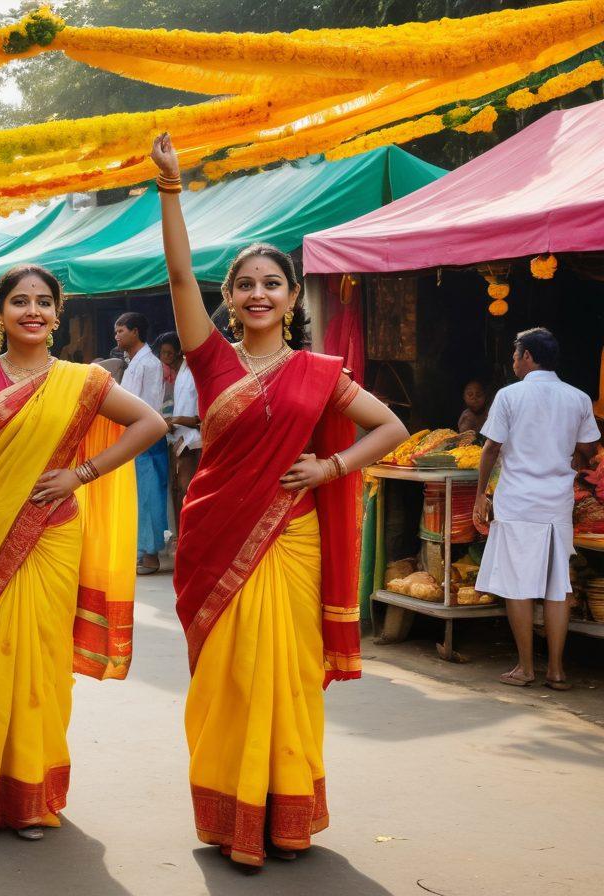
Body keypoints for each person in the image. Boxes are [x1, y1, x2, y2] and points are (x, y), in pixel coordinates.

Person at [151, 133, 408, 868]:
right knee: (228, 679)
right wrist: (172, 191)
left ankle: (283, 815)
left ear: (294, 297)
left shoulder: (319, 372)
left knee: (288, 679)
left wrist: (331, 467)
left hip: (291, 542)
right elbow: (176, 276)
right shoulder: (212, 358)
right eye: (245, 284)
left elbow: (389, 427)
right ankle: (232, 811)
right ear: (228, 299)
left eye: (272, 283)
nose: (258, 293)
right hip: (216, 537)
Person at [0, 186, 166, 839]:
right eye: (19, 301)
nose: (32, 310)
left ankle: (31, 795)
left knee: (38, 664)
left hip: (54, 536)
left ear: (58, 316)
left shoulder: (85, 383)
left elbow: (148, 423)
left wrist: (83, 473)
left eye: (43, 302)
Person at [473, 328, 601, 691]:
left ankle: (526, 668)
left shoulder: (510, 396)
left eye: (515, 355)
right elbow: (591, 450)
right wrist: (568, 462)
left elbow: (490, 449)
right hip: (556, 504)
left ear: (528, 356)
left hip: (517, 502)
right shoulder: (577, 398)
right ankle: (557, 671)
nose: (513, 361)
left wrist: (482, 495)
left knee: (519, 587)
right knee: (556, 586)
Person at [116, 311, 168, 574]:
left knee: (148, 496)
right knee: (137, 495)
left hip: (145, 435)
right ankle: (140, 551)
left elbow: (150, 406)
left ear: (135, 331)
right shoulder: (134, 361)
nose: (117, 336)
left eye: (121, 331)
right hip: (133, 435)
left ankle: (150, 555)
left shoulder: (149, 363)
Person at [161, 337, 201, 549]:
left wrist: (175, 420)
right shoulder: (181, 373)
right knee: (177, 489)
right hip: (179, 438)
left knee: (187, 488)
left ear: (178, 352)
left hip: (193, 440)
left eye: (168, 352)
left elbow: (199, 417)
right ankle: (181, 536)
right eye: (162, 352)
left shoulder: (193, 371)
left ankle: (190, 538)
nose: (164, 357)